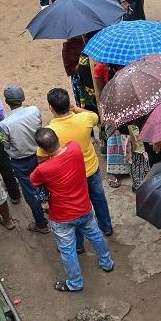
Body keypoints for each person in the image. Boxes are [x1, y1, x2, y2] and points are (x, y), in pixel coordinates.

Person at [30, 128, 114, 292]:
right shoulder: (75, 148)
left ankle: (75, 283)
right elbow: (68, 144)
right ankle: (107, 263)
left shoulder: (43, 169)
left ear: (42, 149)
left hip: (62, 217)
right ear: (57, 139)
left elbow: (33, 180)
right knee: (96, 236)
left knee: (68, 251)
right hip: (84, 207)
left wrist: (42, 157)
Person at [41, 87, 113, 236]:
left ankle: (80, 242)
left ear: (51, 108)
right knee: (98, 198)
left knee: (75, 206)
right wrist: (76, 109)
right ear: (69, 104)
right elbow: (95, 116)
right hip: (91, 168)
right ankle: (107, 227)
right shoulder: (84, 119)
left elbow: (42, 157)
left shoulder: (50, 131)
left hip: (69, 176)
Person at [0, 86, 49, 233]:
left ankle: (41, 224)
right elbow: (40, 127)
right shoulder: (34, 110)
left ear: (6, 101)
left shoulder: (5, 124)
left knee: (30, 192)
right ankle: (50, 208)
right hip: (40, 154)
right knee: (46, 183)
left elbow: (5, 143)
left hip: (20, 161)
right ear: (23, 98)